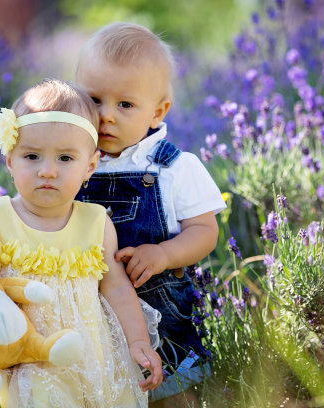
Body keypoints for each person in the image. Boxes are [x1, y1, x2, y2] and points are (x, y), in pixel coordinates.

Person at [0, 78, 163, 407]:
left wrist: (138, 340)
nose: (47, 171)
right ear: (10, 160)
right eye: (32, 156)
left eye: (65, 159)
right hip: (1, 358)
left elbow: (115, 287)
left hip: (75, 360)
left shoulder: (96, 222)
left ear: (90, 166)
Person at [75, 23, 226, 407]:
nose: (106, 115)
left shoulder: (174, 167)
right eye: (94, 99)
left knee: (168, 393)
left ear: (157, 112)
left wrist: (163, 255)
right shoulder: (71, 161)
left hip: (158, 311)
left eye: (124, 104)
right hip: (86, 310)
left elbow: (205, 232)